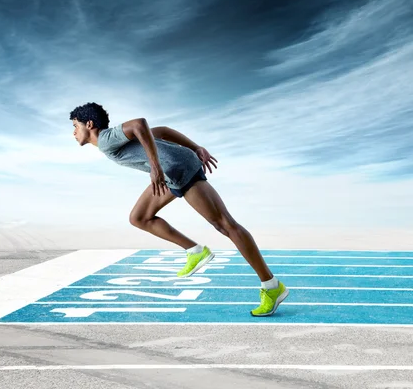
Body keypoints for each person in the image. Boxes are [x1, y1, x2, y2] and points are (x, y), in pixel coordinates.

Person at [69, 102, 289, 317]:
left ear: (89, 124)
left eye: (75, 126)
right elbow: (162, 132)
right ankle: (195, 251)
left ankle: (271, 286)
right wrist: (195, 147)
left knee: (225, 225)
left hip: (178, 169)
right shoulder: (114, 142)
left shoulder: (106, 139)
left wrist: (155, 167)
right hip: (172, 172)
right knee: (139, 217)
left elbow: (139, 123)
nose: (73, 133)